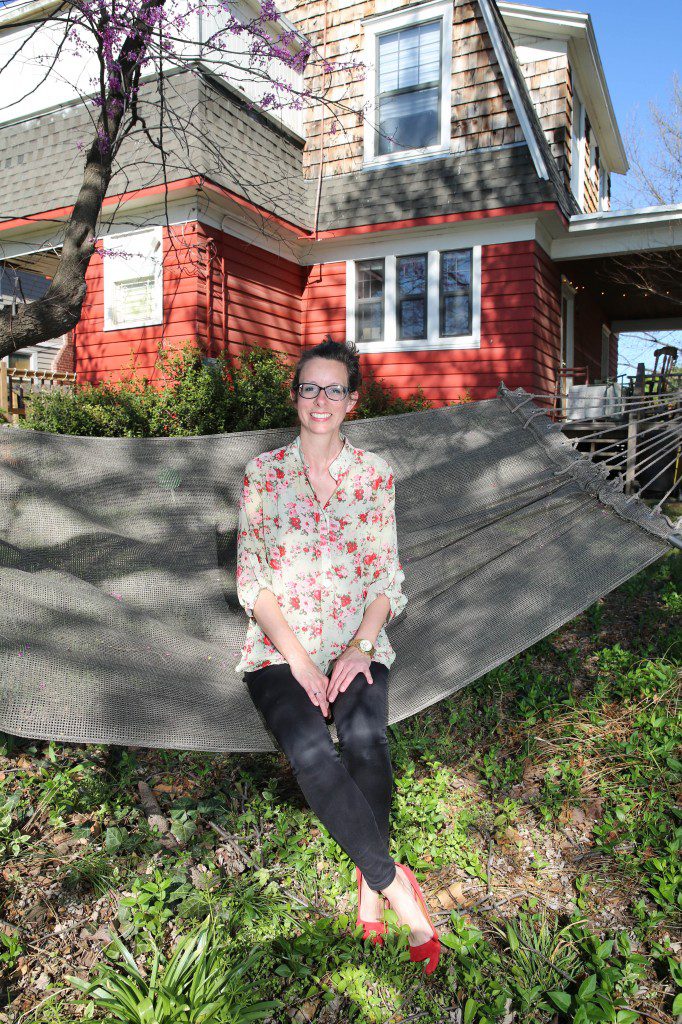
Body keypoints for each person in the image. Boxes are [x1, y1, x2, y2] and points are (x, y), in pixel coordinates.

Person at [235, 337, 441, 975]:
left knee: (362, 734)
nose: (319, 400)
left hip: (358, 643)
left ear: (352, 401)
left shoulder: (375, 475)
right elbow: (253, 581)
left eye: (333, 390)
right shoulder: (262, 474)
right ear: (295, 396)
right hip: (278, 650)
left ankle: (367, 884)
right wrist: (299, 661)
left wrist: (357, 649)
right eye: (308, 388)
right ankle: (393, 886)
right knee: (310, 751)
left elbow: (386, 578)